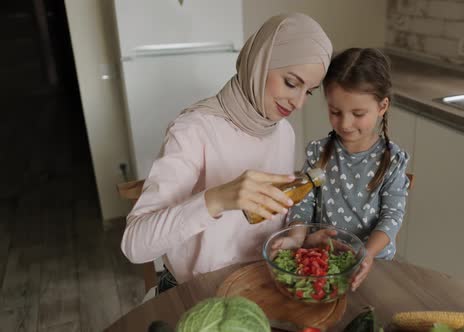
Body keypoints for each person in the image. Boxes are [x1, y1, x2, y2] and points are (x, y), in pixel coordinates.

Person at [120, 13, 333, 294]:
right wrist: (216, 199)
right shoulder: (193, 130)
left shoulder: (283, 132)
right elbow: (135, 245)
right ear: (260, 62)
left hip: (263, 287)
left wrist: (298, 235)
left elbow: (276, 216)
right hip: (196, 292)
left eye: (309, 92)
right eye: (291, 83)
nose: (298, 102)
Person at [283, 48, 410, 291]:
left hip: (373, 264)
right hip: (322, 260)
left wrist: (367, 252)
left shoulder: (393, 160)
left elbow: (392, 216)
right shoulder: (317, 153)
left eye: (358, 114)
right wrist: (296, 237)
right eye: (335, 112)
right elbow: (302, 202)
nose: (345, 123)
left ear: (382, 106)